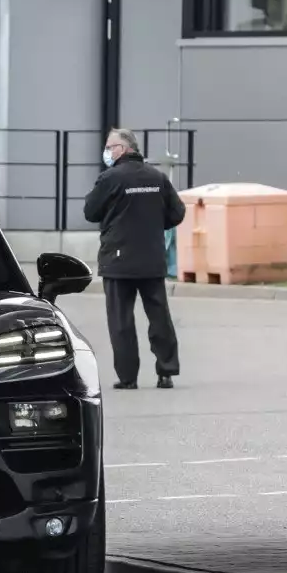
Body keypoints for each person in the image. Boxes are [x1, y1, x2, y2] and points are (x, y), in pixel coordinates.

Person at [83, 128, 186, 390]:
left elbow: (90, 212)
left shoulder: (109, 178)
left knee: (121, 321)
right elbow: (177, 213)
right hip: (151, 259)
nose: (107, 151)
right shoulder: (157, 177)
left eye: (110, 146)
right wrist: (152, 224)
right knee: (159, 316)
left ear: (123, 149)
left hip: (118, 261)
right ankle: (167, 371)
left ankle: (128, 377)